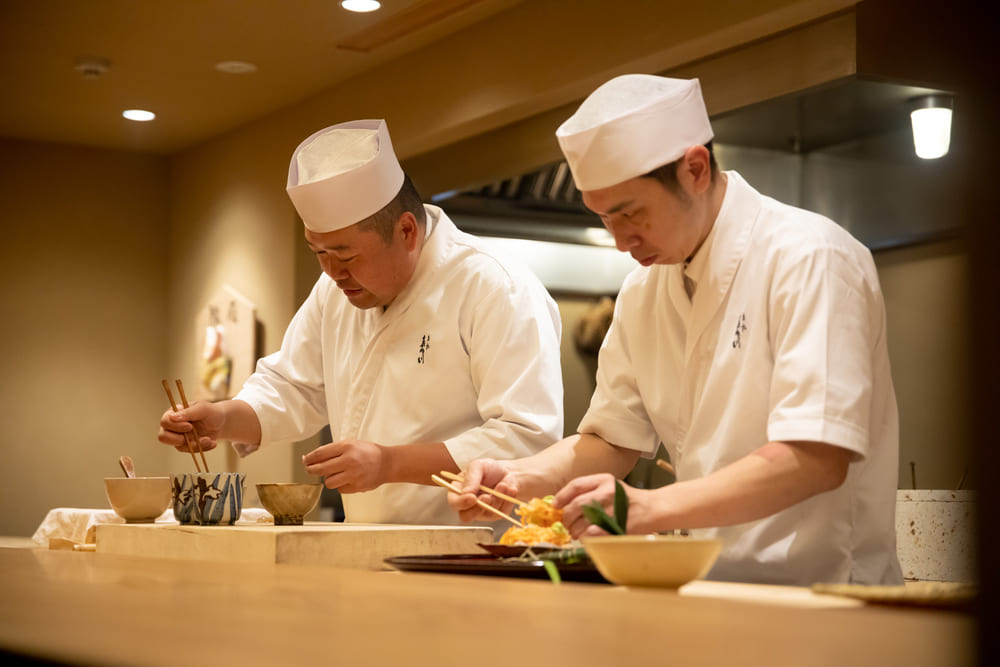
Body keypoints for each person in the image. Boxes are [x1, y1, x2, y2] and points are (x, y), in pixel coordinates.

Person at [449, 75, 903, 586]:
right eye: (603, 219)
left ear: (695, 169)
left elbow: (816, 458)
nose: (620, 241)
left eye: (630, 213)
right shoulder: (644, 290)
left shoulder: (809, 258)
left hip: (824, 596)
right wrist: (520, 478)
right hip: (704, 585)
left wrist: (649, 507)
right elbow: (610, 440)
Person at [159, 119, 564, 526]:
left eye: (347, 256)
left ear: (406, 230)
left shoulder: (494, 286)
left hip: (475, 554)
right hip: (368, 543)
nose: (334, 273)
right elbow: (293, 386)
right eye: (318, 253)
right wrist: (224, 417)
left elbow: (527, 438)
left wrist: (389, 462)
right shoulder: (332, 290)